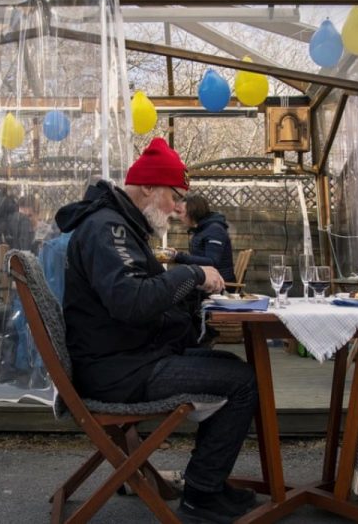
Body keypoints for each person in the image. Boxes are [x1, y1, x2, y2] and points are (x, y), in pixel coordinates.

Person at [55, 137, 259, 523]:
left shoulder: (119, 224)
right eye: (174, 196)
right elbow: (132, 302)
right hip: (118, 371)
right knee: (241, 379)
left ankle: (207, 485)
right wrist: (192, 273)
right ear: (148, 187)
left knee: (224, 365)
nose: (179, 208)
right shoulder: (108, 228)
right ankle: (202, 494)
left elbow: (137, 303)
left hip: (124, 359)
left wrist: (188, 310)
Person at [172, 194, 236, 282]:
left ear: (192, 212)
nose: (179, 217)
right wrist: (176, 255)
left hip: (219, 284)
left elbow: (212, 262)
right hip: (207, 279)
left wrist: (179, 256)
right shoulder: (201, 229)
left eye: (181, 212)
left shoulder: (215, 230)